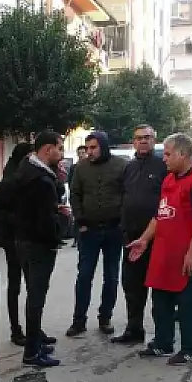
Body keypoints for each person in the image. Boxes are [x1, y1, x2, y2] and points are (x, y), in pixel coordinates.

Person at [126, 134, 192, 365]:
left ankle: (190, 350)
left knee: (189, 304)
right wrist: (145, 239)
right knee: (161, 302)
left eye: (167, 154)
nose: (163, 159)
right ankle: (162, 343)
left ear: (182, 154)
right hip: (165, 253)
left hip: (188, 255)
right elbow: (161, 214)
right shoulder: (169, 179)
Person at [0, 142, 55, 347]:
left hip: (28, 238)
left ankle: (34, 330)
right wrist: (19, 220)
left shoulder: (32, 177)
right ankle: (16, 330)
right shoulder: (13, 180)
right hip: (14, 240)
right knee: (16, 284)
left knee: (33, 288)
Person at [12, 131, 70, 367]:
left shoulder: (26, 171)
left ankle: (34, 343)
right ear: (48, 150)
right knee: (36, 299)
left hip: (24, 241)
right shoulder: (42, 180)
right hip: (38, 246)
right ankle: (32, 353)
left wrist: (54, 207)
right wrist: (63, 224)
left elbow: (32, 209)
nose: (62, 154)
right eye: (60, 148)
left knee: (33, 297)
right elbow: (45, 223)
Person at [67, 131, 126, 337]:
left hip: (113, 230)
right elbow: (74, 194)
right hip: (88, 230)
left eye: (93, 147)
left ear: (103, 146)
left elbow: (127, 194)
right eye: (87, 148)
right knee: (84, 276)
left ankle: (105, 317)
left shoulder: (121, 166)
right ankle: (79, 320)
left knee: (111, 277)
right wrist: (80, 221)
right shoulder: (81, 168)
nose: (89, 152)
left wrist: (122, 221)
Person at [113, 125, 168, 345]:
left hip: (157, 237)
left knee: (159, 288)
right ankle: (134, 329)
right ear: (133, 142)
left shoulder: (163, 166)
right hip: (131, 237)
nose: (143, 141)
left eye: (147, 137)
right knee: (132, 287)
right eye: (138, 138)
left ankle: (162, 336)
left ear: (154, 140)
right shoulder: (129, 167)